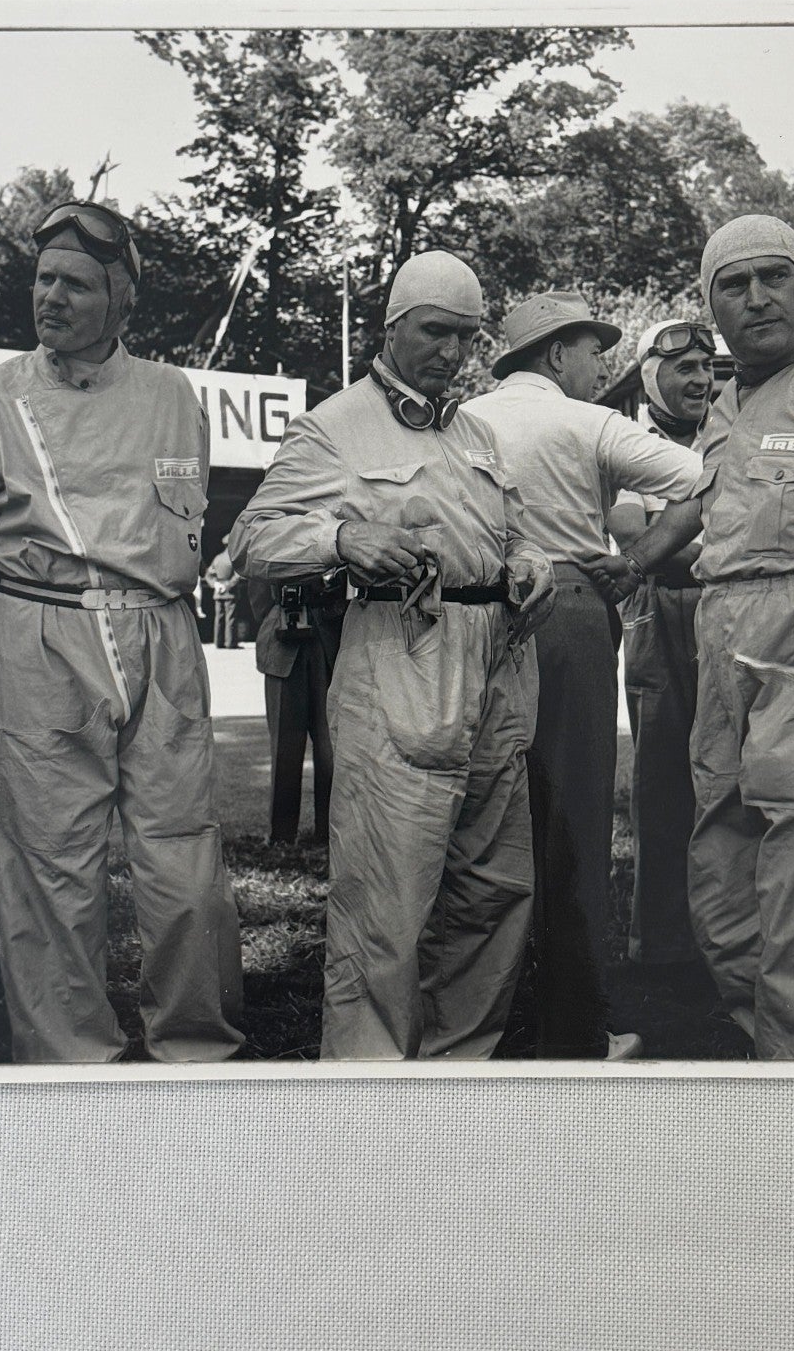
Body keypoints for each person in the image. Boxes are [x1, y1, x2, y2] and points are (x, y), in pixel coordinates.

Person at [589, 214, 794, 1060]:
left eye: (776, 277)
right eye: (733, 286)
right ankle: (777, 1057)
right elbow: (703, 502)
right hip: (732, 648)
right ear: (712, 306)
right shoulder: (728, 404)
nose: (757, 298)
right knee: (724, 891)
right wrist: (633, 563)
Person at [0, 200, 244, 1064]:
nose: (51, 298)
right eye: (43, 280)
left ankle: (196, 1046)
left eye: (74, 283)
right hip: (38, 634)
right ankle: (69, 1058)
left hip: (161, 637)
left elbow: (185, 522)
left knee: (183, 856)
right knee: (46, 863)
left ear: (121, 298)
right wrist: (18, 641)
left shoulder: (172, 394)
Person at [230, 250, 555, 1061]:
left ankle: (456, 1068)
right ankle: (369, 1083)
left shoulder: (477, 433)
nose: (452, 352)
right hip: (398, 660)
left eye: (467, 337)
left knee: (493, 890)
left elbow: (515, 534)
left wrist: (531, 565)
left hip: (496, 668)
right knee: (386, 901)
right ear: (393, 326)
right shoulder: (335, 426)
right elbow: (251, 540)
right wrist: (341, 538)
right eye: (436, 332)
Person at [463, 292, 704, 1060]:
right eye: (594, 352)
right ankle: (573, 1029)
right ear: (557, 354)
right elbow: (706, 479)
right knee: (574, 820)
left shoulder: (460, 421)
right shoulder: (586, 421)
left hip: (469, 614)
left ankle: (477, 1018)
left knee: (482, 820)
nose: (601, 367)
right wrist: (639, 559)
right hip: (567, 604)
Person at [607, 319, 716, 970]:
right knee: (663, 780)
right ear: (652, 375)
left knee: (730, 778)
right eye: (685, 368)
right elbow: (636, 540)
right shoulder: (627, 444)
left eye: (706, 368)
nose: (701, 380)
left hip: (727, 616)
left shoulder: (729, 432)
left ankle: (726, 939)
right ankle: (660, 945)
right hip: (657, 617)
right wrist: (732, 552)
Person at [246, 572, 344, 845]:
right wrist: (278, 611)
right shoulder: (272, 536)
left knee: (330, 747)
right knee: (284, 746)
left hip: (328, 640)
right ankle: (282, 834)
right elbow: (258, 586)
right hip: (282, 639)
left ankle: (328, 832)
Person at [205, 544, 241, 648]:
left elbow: (208, 575)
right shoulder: (234, 559)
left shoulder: (217, 558)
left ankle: (218, 642)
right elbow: (237, 575)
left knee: (218, 618)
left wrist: (215, 584)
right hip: (230, 592)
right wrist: (228, 585)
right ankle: (230, 643)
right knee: (230, 618)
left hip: (218, 592)